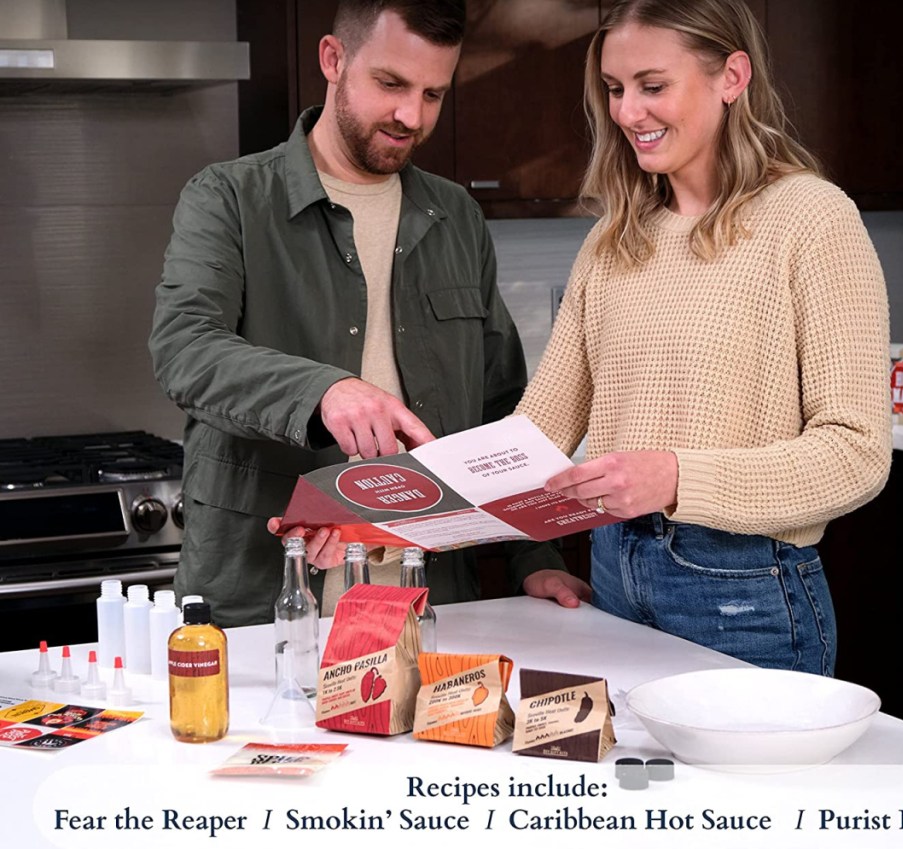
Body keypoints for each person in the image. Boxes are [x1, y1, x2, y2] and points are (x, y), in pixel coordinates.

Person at [150, 0, 589, 628]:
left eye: (433, 93)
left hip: (433, 603)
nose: (412, 115)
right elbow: (185, 350)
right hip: (267, 599)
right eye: (391, 84)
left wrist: (533, 557)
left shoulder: (456, 216)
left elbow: (502, 409)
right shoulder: (229, 197)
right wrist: (325, 391)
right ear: (333, 60)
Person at [515, 0, 892, 675]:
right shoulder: (611, 241)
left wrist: (679, 478)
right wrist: (371, 516)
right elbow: (531, 438)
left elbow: (857, 453)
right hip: (611, 571)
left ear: (732, 77)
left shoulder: (812, 219)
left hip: (745, 591)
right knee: (630, 785)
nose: (628, 112)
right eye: (614, 89)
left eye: (653, 86)